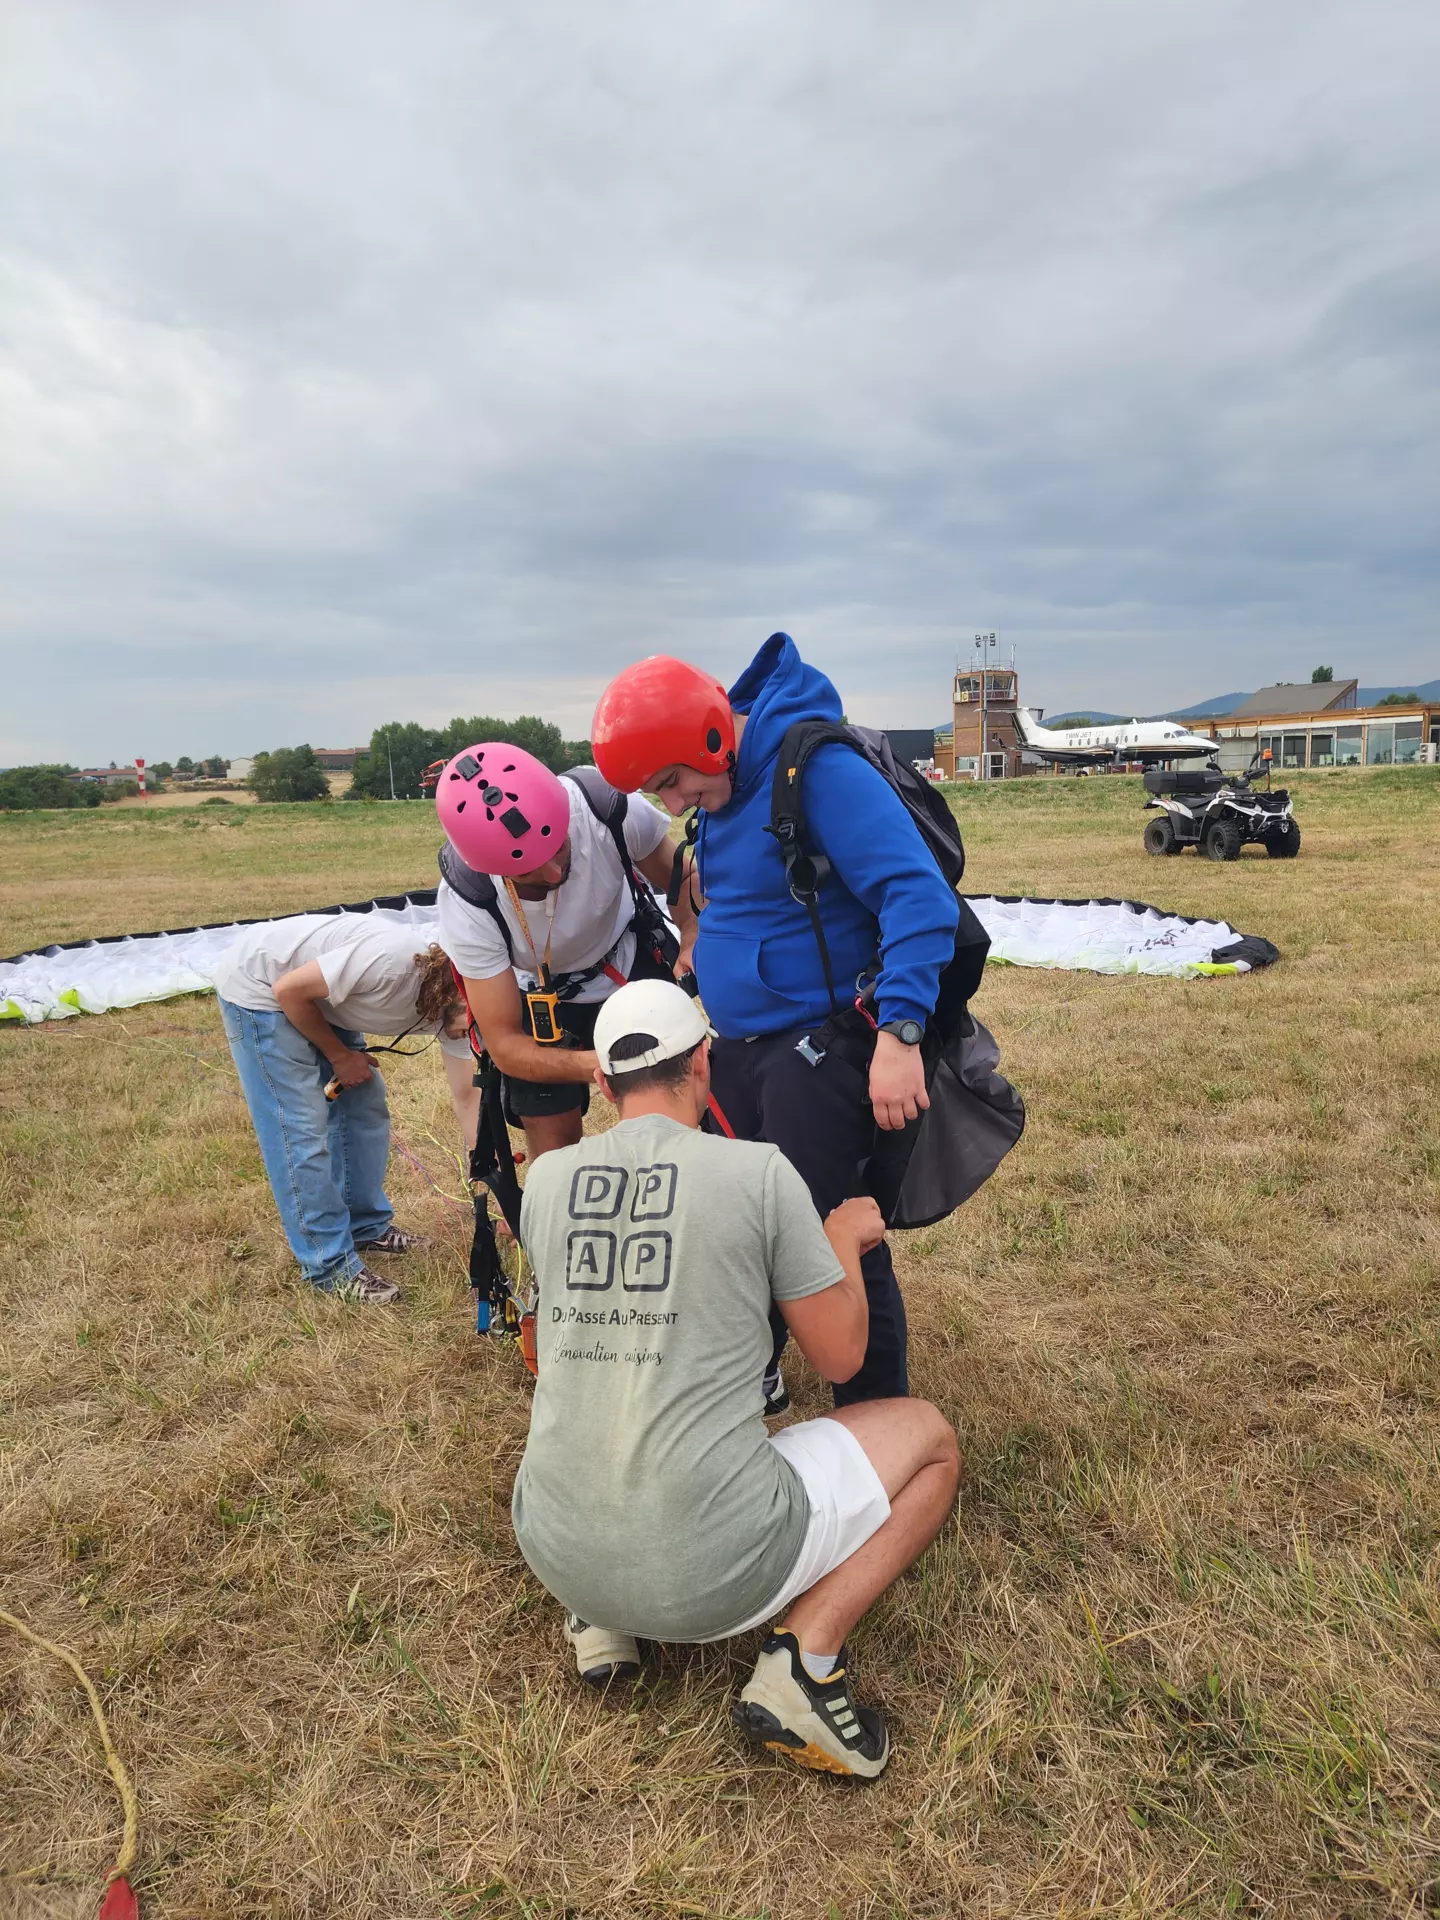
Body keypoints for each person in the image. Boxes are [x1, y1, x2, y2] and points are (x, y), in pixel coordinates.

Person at [511, 979, 961, 1778]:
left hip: (553, 1545)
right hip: (712, 1571)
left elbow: (551, 1353)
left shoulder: (544, 1181)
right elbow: (840, 1360)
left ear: (605, 1085)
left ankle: (600, 1613)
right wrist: (841, 1246)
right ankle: (805, 1665)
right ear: (704, 1066)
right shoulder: (758, 1173)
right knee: (931, 1443)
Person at [590, 634, 961, 1408]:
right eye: (659, 791)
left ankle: (878, 1421)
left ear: (713, 737)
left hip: (822, 1051)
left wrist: (900, 1037)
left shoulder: (816, 771)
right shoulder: (726, 788)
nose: (675, 801)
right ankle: (750, 1370)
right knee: (739, 1221)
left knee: (832, 1234)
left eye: (674, 780)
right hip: (744, 1054)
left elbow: (918, 898)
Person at [434, 740, 691, 1165]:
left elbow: (683, 879)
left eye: (559, 847)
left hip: (626, 959)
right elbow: (505, 1044)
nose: (554, 873)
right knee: (554, 1150)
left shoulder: (604, 806)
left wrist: (692, 934)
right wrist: (602, 1061)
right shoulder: (469, 898)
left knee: (670, 1120)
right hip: (539, 995)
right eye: (528, 875)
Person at [214, 914, 477, 1304]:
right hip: (262, 988)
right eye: (473, 1023)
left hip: (322, 1000)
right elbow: (288, 991)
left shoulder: (461, 1015)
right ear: (459, 990)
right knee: (300, 1127)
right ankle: (329, 1265)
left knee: (364, 1109)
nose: (473, 1035)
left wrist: (486, 1173)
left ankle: (366, 1228)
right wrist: (339, 1056)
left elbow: (467, 1097)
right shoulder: (392, 965)